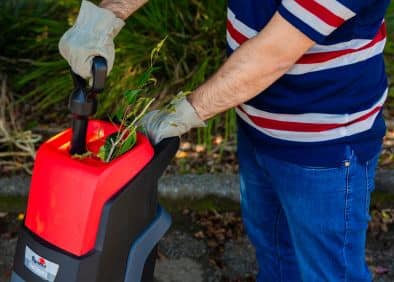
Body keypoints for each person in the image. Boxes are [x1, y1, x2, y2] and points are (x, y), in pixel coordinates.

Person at [59, 0, 390, 281]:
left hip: (323, 149)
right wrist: (108, 15)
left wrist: (185, 112)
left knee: (329, 272)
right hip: (257, 129)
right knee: (275, 255)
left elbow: (274, 54)